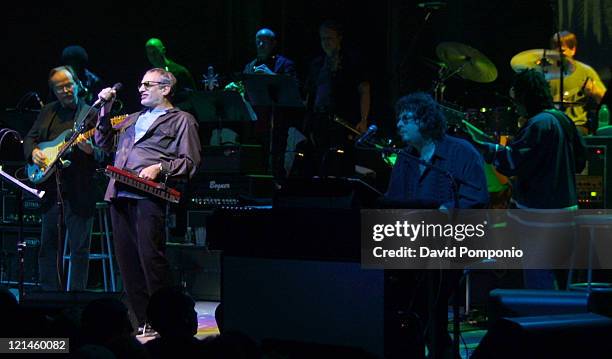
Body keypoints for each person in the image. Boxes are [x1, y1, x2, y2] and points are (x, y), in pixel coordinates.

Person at [95, 68, 202, 329]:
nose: (140, 89)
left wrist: (161, 168)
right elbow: (102, 141)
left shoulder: (182, 120)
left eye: (147, 84)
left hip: (148, 196)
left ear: (165, 89)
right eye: (140, 84)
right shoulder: (132, 119)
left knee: (150, 259)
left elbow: (191, 162)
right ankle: (143, 320)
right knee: (127, 262)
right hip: (118, 193)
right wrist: (104, 110)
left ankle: (166, 319)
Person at [384, 92, 488, 359]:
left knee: (428, 304)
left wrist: (446, 214)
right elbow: (393, 204)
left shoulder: (461, 152)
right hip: (413, 247)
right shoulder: (405, 159)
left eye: (406, 118)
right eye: (399, 118)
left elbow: (475, 203)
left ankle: (439, 350)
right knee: (408, 307)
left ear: (425, 121)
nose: (399, 124)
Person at [466, 69, 587, 288]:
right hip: (567, 213)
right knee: (561, 284)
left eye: (517, 100)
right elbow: (581, 161)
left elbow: (512, 162)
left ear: (524, 97)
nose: (515, 107)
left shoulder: (538, 124)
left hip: (539, 218)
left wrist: (482, 147)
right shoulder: (563, 119)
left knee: (538, 281)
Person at [23, 66, 104, 291]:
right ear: (54, 92)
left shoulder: (92, 114)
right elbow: (30, 138)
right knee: (48, 246)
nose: (66, 90)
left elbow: (105, 154)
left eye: (69, 85)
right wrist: (33, 153)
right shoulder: (48, 111)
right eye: (60, 88)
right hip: (51, 190)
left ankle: (76, 302)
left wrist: (90, 151)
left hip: (80, 191)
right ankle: (48, 296)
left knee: (79, 250)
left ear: (77, 84)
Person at [303, 20, 371, 177]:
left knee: (342, 162)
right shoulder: (316, 64)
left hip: (343, 120)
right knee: (320, 161)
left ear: (339, 38)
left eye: (329, 38)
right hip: (319, 121)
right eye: (322, 39)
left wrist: (363, 119)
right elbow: (310, 95)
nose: (325, 42)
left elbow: (364, 90)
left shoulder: (352, 61)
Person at [242, 28, 298, 183]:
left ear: (273, 43)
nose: (260, 44)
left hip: (279, 122)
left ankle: (278, 190)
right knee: (257, 158)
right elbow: (247, 95)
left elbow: (292, 90)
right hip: (257, 122)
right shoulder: (250, 66)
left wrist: (270, 76)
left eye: (264, 41)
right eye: (257, 41)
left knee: (277, 159)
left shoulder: (286, 64)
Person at [548, 31, 607, 134]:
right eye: (555, 51)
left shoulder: (586, 71)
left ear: (573, 50)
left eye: (562, 50)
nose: (558, 55)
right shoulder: (543, 71)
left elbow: (604, 100)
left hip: (576, 125)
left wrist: (595, 92)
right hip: (549, 122)